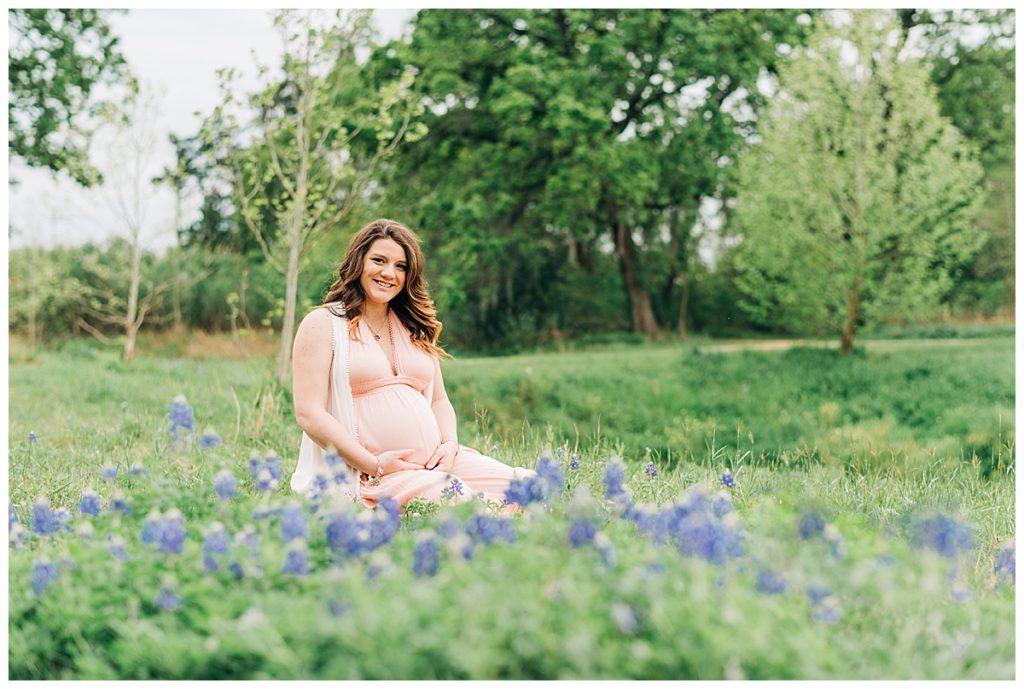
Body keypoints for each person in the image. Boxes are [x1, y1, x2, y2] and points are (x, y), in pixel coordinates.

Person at [290, 218, 535, 509]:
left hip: (437, 465)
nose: (388, 273)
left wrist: (449, 445)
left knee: (532, 487)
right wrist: (374, 463)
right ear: (358, 262)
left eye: (400, 266)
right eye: (379, 260)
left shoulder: (414, 327)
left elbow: (439, 399)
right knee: (460, 503)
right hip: (374, 475)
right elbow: (309, 414)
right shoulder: (324, 323)